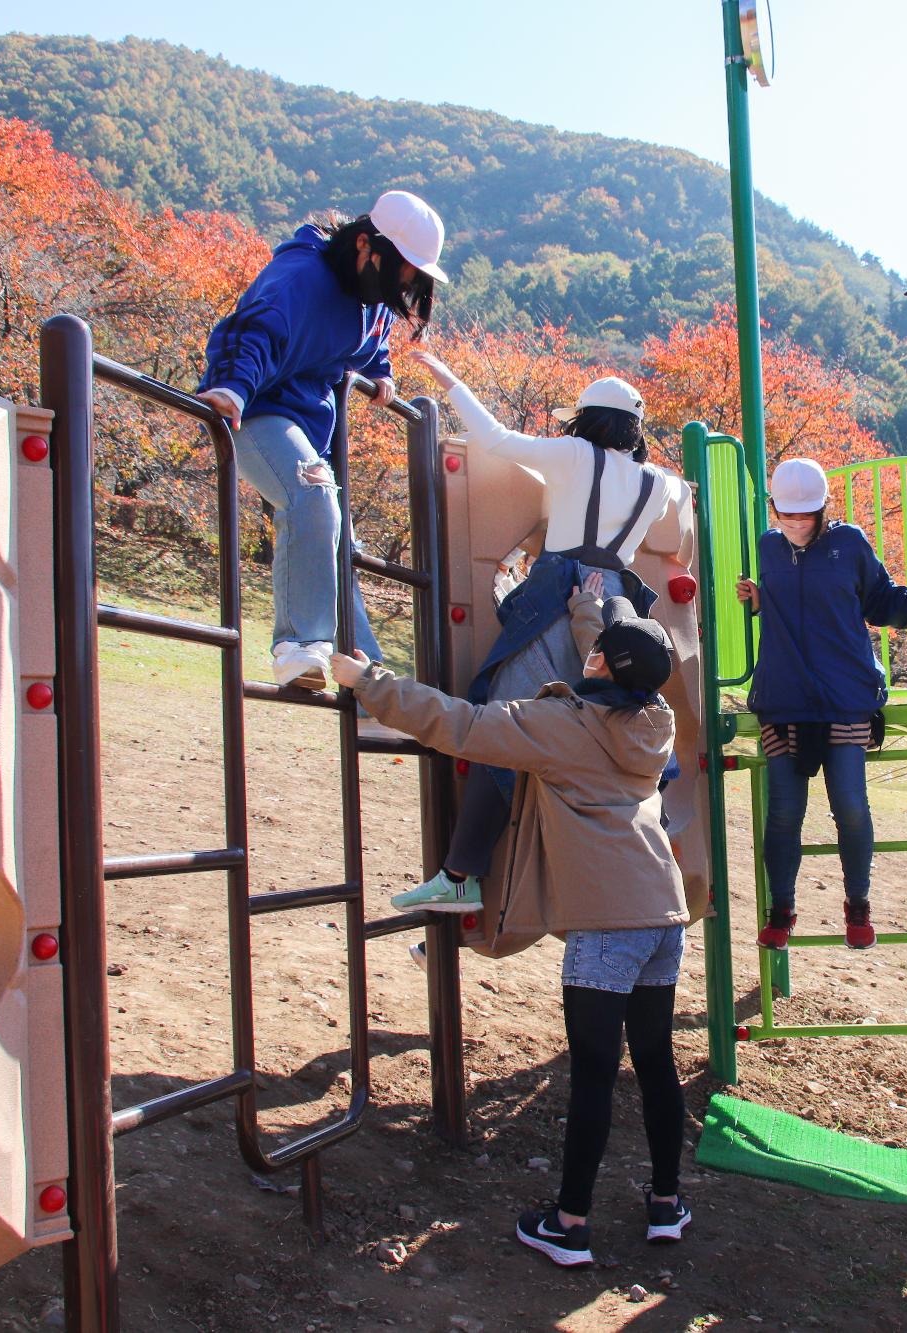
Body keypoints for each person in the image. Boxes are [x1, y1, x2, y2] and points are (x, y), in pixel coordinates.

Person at [330, 589, 691, 1267]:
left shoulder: (562, 727)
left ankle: (570, 1223)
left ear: (605, 667)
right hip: (662, 911)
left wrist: (369, 681)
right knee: (653, 1060)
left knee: (592, 1073)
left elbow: (458, 722)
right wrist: (589, 609)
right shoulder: (656, 716)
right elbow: (616, 647)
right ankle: (667, 1203)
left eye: (598, 652)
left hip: (607, 917)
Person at [389, 350, 681, 914]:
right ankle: (647, 852)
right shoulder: (659, 485)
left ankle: (461, 874)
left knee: (504, 723)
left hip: (562, 601)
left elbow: (496, 439)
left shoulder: (575, 457)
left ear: (587, 421)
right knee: (603, 741)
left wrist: (450, 379)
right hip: (615, 616)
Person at [196, 190, 448, 689]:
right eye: (402, 272)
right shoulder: (301, 278)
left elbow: (371, 341)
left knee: (338, 540)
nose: (405, 288)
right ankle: (298, 645)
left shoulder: (370, 295)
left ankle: (369, 684)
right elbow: (253, 329)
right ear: (363, 245)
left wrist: (381, 373)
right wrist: (232, 386)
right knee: (311, 496)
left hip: (309, 429)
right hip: (258, 410)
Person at [737, 457, 907, 949]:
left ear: (824, 510)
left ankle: (858, 905)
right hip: (784, 697)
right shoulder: (768, 547)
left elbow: (878, 600)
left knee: (849, 804)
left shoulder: (848, 544)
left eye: (805, 515)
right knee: (783, 812)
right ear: (774, 509)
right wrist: (762, 600)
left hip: (844, 694)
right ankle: (780, 911)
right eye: (787, 514)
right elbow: (793, 601)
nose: (796, 523)